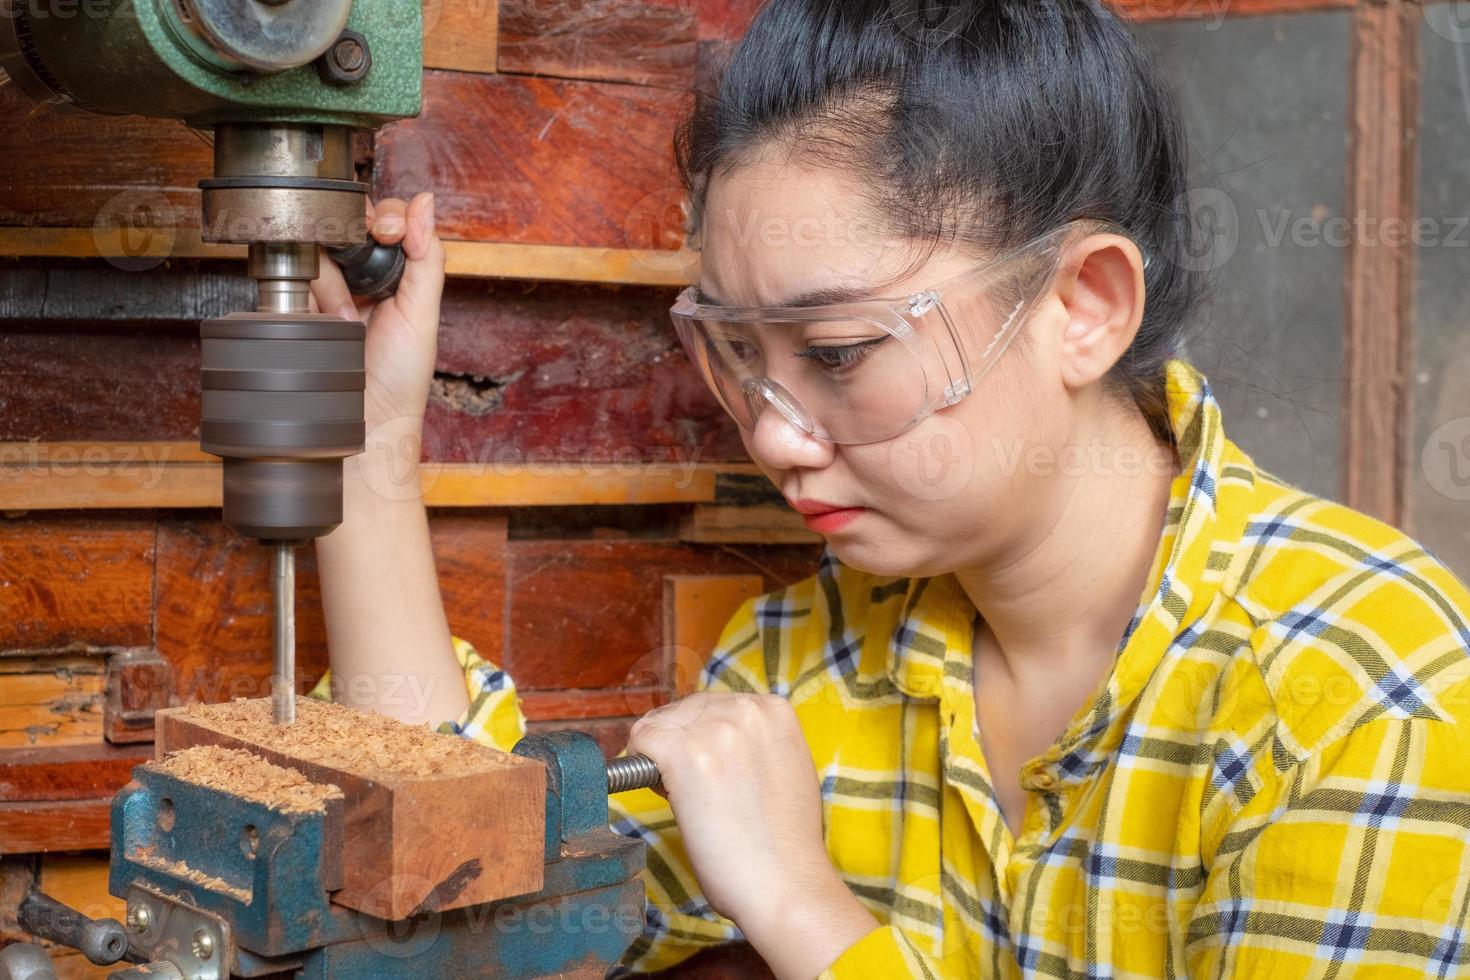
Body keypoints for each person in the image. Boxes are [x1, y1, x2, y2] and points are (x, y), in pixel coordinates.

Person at [312, 1, 1470, 977]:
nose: (775, 435)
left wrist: (807, 911)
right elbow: (472, 914)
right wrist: (370, 442)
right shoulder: (806, 663)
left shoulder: (1356, 686)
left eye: (841, 352)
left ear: (1085, 305)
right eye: (737, 355)